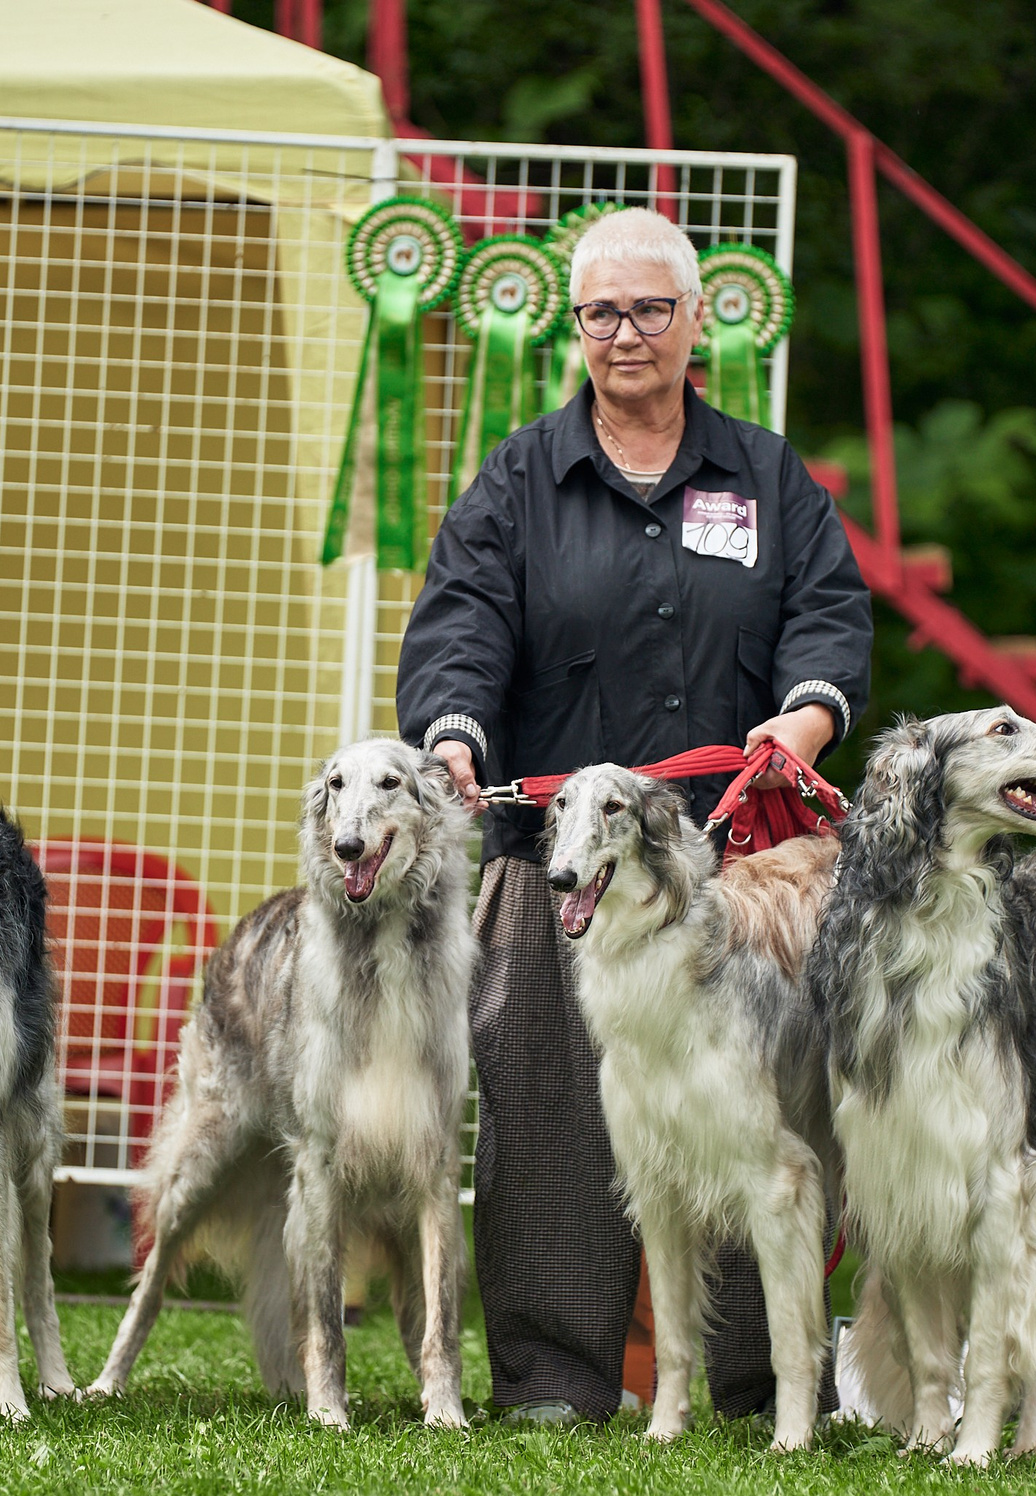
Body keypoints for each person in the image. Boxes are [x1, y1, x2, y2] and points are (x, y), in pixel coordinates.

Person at [395, 208, 872, 1426]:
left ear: (695, 321)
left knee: (760, 1112)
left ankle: (767, 1381)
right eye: (601, 311)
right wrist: (453, 735)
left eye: (651, 308)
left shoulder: (768, 476)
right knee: (546, 1108)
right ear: (575, 328)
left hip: (735, 867)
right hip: (558, 865)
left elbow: (827, 616)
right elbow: (459, 627)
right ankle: (557, 1378)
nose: (625, 334)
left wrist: (805, 721)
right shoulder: (516, 481)